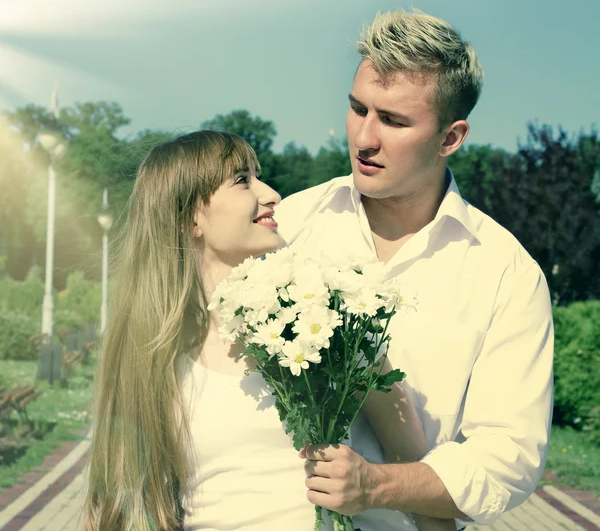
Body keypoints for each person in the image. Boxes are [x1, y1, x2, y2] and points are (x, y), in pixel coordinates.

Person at [275, 9, 554, 531]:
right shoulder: (289, 224)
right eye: (358, 109)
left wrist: (376, 486)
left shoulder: (506, 273)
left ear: (451, 138)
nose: (364, 138)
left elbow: (508, 459)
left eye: (395, 121)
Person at [82, 130, 442, 531]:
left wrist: (376, 487)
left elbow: (420, 479)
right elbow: (115, 505)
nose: (272, 194)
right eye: (242, 180)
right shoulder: (152, 357)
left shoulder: (328, 325)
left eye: (259, 175)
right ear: (190, 219)